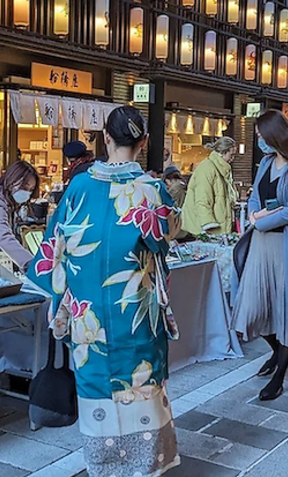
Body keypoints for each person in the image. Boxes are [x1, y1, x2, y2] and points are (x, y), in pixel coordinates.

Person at [27, 106, 181, 477]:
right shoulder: (152, 189)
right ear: (142, 143)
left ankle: (104, 467)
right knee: (142, 383)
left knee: (96, 387)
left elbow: (54, 250)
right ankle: (144, 467)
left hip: (88, 314)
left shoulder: (78, 186)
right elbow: (167, 237)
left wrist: (60, 304)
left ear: (106, 139)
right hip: (135, 311)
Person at [231, 110, 288, 402]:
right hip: (261, 244)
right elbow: (254, 196)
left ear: (275, 136)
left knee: (287, 313)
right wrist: (254, 215)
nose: (259, 142)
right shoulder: (267, 162)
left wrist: (259, 220)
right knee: (252, 309)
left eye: (260, 136)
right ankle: (274, 352)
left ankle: (280, 374)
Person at [181, 136, 238, 235]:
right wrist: (207, 223)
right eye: (231, 155)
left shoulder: (223, 170)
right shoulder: (207, 168)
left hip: (216, 226)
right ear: (222, 153)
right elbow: (202, 199)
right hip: (205, 229)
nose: (232, 159)